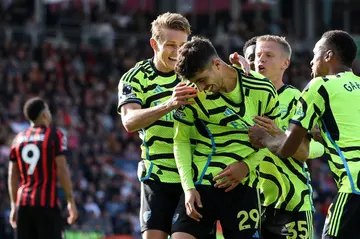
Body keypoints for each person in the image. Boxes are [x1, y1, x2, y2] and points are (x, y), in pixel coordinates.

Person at [171, 35, 294, 239]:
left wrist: (246, 165)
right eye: (195, 83)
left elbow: (271, 140)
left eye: (202, 80)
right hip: (201, 185)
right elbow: (181, 140)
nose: (200, 88)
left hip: (243, 186)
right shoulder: (191, 93)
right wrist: (188, 188)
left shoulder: (262, 89)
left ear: (217, 64)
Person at [248, 30, 360, 239]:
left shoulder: (319, 86)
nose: (310, 62)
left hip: (352, 185)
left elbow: (289, 148)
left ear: (327, 56)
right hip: (260, 200)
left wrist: (265, 138)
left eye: (315, 55)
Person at [117, 12, 219, 239]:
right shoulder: (135, 78)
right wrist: (169, 104)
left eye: (183, 45)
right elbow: (129, 121)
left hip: (196, 176)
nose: (178, 52)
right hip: (158, 177)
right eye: (171, 45)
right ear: (154, 44)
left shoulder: (197, 74)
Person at [221, 35, 325, 239]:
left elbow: (304, 152)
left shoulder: (298, 100)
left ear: (285, 63)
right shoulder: (241, 98)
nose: (261, 60)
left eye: (269, 55)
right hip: (249, 200)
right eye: (258, 55)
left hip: (291, 203)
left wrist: (277, 133)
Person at [8, 97, 78, 239]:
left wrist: (14, 205)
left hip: (24, 205)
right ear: (44, 114)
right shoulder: (55, 135)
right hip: (46, 204)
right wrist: (70, 200)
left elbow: (12, 175)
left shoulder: (18, 138)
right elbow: (62, 171)